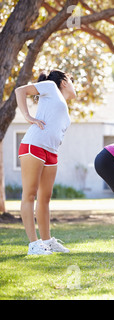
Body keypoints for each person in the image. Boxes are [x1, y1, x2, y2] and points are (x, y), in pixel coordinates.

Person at [16, 70, 76, 255]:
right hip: (34, 145)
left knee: (45, 198)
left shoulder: (62, 104)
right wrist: (27, 116)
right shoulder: (50, 86)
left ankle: (47, 241)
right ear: (64, 82)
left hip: (51, 152)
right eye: (73, 81)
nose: (76, 87)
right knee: (30, 194)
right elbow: (20, 91)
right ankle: (34, 245)